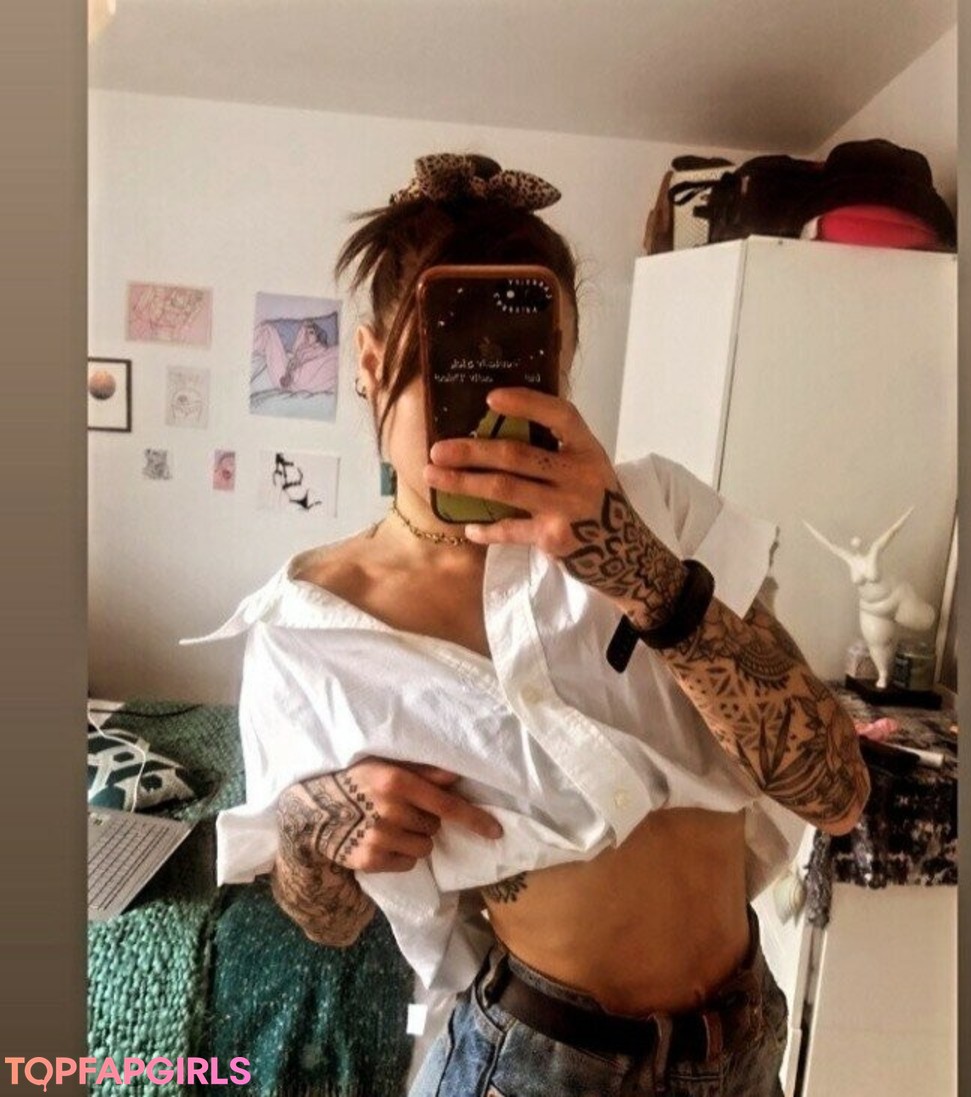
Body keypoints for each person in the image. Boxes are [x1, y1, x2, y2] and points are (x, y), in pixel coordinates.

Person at [186, 152, 871, 1097]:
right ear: (372, 364)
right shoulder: (310, 632)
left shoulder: (661, 510)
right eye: (451, 370)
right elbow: (326, 920)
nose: (489, 416)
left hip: (746, 1041)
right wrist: (317, 827)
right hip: (536, 1066)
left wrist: (638, 568)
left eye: (526, 369)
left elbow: (837, 789)